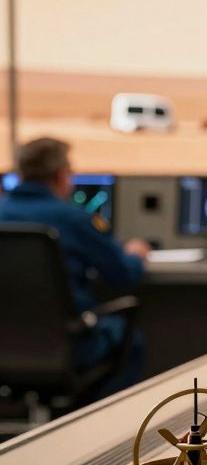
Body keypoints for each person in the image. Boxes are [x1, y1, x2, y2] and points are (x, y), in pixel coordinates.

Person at [0, 137, 150, 395]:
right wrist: (136, 255)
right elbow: (123, 275)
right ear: (61, 175)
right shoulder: (73, 220)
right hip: (67, 345)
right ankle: (97, 424)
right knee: (130, 341)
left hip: (4, 345)